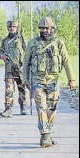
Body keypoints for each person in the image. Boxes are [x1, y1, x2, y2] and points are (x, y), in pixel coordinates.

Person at [22, 16, 76, 148]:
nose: (44, 30)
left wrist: (71, 79)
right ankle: (44, 135)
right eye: (42, 28)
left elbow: (66, 61)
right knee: (41, 108)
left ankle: (48, 132)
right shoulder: (32, 43)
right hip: (37, 81)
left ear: (52, 28)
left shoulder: (59, 43)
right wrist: (25, 79)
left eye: (47, 28)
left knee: (52, 109)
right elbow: (26, 62)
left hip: (54, 81)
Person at [0, 20, 28, 117]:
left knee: (22, 88)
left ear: (17, 28)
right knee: (9, 89)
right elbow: (0, 52)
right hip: (9, 69)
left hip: (20, 68)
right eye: (10, 27)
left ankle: (23, 106)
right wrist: (2, 55)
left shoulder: (21, 39)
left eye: (14, 27)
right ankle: (8, 109)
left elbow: (28, 51)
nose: (12, 29)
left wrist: (27, 65)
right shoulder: (5, 41)